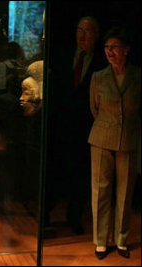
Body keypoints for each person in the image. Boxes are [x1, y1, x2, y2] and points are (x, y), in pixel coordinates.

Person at [45, 16, 106, 234]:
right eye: (79, 30)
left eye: (87, 31)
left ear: (96, 36)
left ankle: (75, 217)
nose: (82, 35)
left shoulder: (101, 61)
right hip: (59, 123)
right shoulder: (62, 56)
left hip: (86, 127)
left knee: (80, 175)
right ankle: (46, 212)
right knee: (53, 171)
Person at [89, 26, 140, 260]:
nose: (110, 51)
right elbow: (94, 108)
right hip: (101, 139)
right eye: (107, 47)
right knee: (100, 191)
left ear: (126, 50)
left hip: (129, 140)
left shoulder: (138, 76)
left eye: (115, 47)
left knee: (125, 192)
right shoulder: (98, 77)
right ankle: (100, 242)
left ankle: (121, 240)